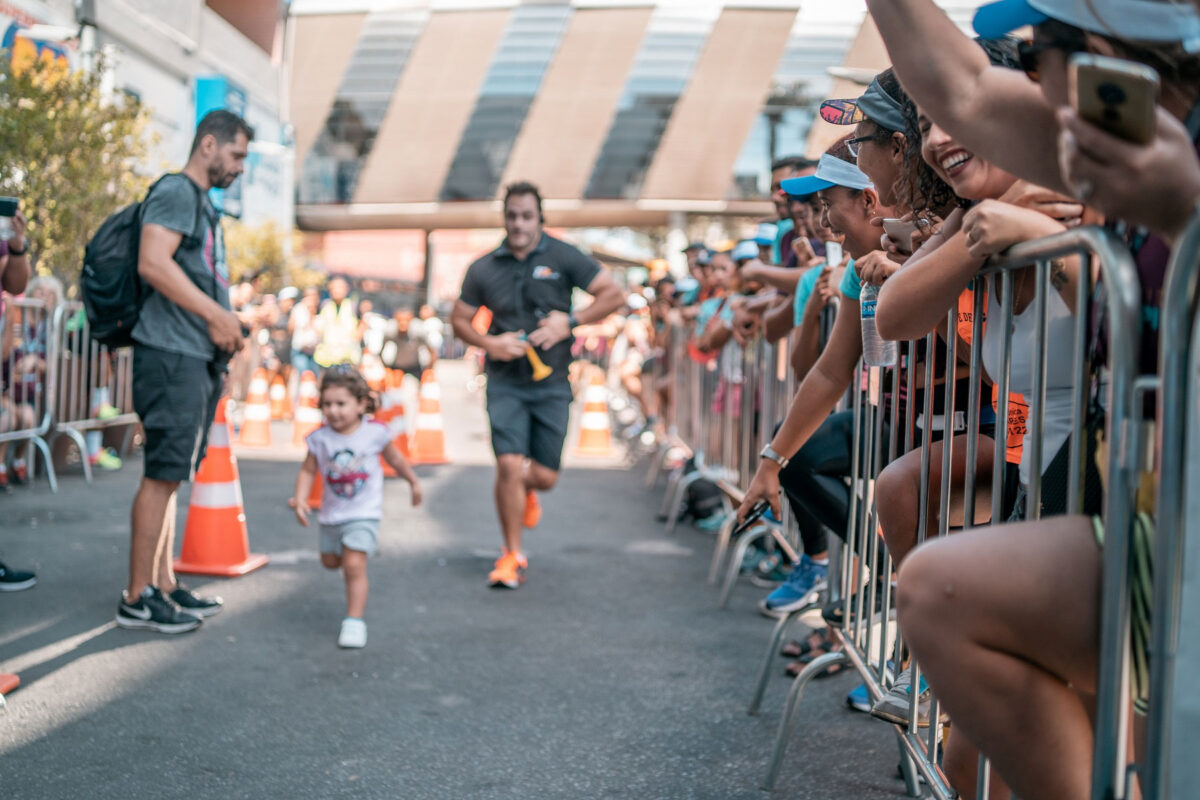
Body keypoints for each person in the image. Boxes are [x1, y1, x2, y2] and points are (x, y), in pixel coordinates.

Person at [864, 1, 1200, 797]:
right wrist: (975, 229)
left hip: (1156, 520)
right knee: (945, 599)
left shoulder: (1143, 162)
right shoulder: (1122, 144)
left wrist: (1182, 214)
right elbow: (965, 90)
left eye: (1041, 50)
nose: (1030, 74)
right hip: (1138, 509)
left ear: (1116, 59)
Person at [450, 181, 624, 589]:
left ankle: (525, 491)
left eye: (527, 216)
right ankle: (511, 554)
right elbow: (458, 319)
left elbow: (613, 295)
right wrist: (490, 342)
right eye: (512, 215)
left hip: (553, 383)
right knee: (509, 464)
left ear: (540, 219)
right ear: (504, 218)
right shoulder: (484, 267)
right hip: (505, 382)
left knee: (544, 476)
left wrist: (572, 321)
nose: (518, 224)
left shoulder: (564, 256)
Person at [117, 109, 251, 634]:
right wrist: (216, 315)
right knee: (160, 476)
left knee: (171, 477)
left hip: (190, 357)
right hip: (169, 354)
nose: (240, 167)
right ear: (209, 145)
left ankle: (164, 585)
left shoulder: (201, 204)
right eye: (237, 154)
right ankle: (136, 596)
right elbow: (153, 262)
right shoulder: (176, 192)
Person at [293, 367, 421, 648]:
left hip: (364, 514)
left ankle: (354, 621)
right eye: (327, 404)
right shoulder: (319, 438)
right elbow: (307, 470)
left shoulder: (374, 433)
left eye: (341, 404)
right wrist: (301, 498)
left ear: (362, 404)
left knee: (353, 565)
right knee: (330, 562)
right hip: (331, 514)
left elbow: (397, 460)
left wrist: (413, 482)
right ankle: (346, 560)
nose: (334, 411)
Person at [314, 276, 360, 368]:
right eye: (333, 288)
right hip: (326, 358)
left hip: (347, 358)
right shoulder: (325, 305)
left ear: (346, 289)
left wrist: (356, 338)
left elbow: (362, 323)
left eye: (339, 288)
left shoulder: (352, 306)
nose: (336, 291)